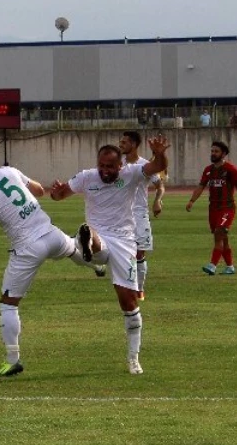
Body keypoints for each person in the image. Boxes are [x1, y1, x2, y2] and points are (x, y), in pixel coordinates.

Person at [0, 158, 94, 378]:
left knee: (8, 304)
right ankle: (97, 266)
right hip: (50, 233)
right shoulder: (7, 171)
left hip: (27, 247)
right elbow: (39, 191)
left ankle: (13, 360)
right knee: (72, 249)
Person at [49, 135, 170, 375]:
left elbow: (158, 167)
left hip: (124, 241)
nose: (104, 171)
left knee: (129, 303)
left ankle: (133, 359)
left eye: (109, 167)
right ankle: (87, 240)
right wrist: (55, 192)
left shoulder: (132, 173)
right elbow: (60, 195)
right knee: (91, 233)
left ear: (120, 166)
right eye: (101, 166)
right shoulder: (87, 176)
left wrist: (159, 153)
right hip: (101, 237)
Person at [186, 140, 237, 276]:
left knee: (219, 233)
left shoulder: (231, 170)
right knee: (222, 238)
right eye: (212, 151)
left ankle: (212, 265)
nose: (213, 153)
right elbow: (201, 187)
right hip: (213, 209)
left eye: (216, 151)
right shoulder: (208, 170)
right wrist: (192, 201)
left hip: (227, 208)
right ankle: (230, 267)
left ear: (223, 154)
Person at [118, 131, 165, 300]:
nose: (121, 145)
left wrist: (157, 201)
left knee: (139, 253)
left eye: (124, 142)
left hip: (139, 213)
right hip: (120, 214)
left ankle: (139, 288)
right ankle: (127, 285)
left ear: (134, 144)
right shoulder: (118, 164)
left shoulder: (145, 165)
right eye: (120, 142)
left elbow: (160, 185)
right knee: (122, 252)